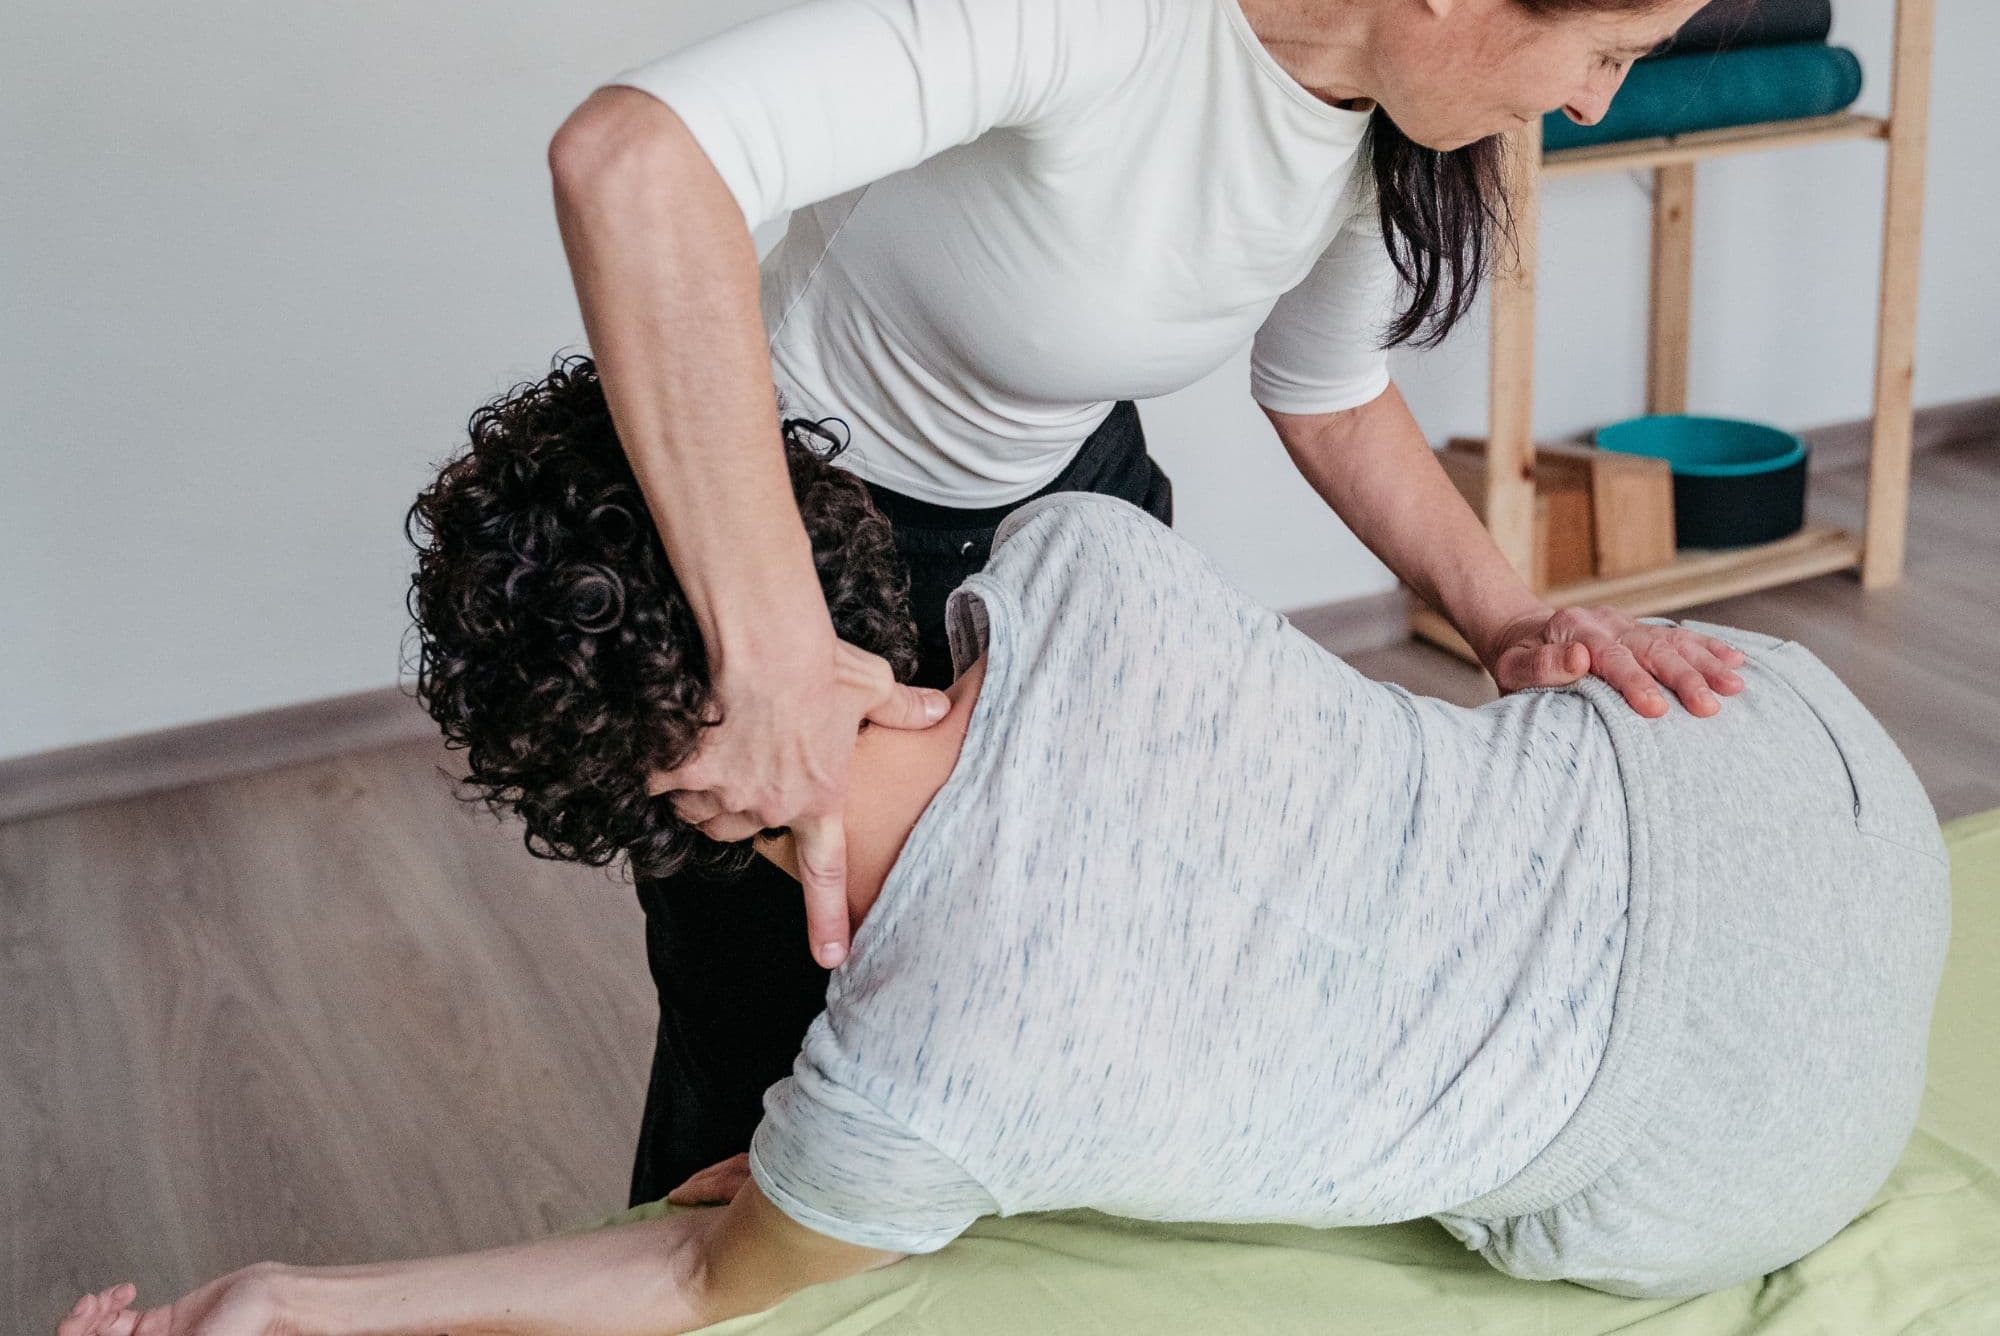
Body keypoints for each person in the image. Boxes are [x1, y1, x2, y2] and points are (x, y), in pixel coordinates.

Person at [57, 356, 1948, 1336]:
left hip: (1743, 1140)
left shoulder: (923, 1078)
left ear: (680, 800)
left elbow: (693, 1284)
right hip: (1778, 753)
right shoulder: (1080, 559)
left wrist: (290, 1299)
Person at [545, 0, 1790, 1205]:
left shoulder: (1383, 102)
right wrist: (768, 657)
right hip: (791, 535)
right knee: (781, 1071)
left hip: (1074, 536)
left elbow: (1327, 393)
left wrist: (1515, 621)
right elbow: (637, 160)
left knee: (1066, 1033)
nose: (1593, 102)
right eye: (1605, 52)